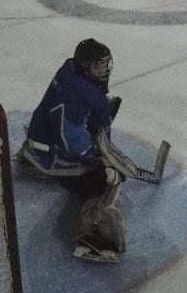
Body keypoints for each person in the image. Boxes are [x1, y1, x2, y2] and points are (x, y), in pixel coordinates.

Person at [16, 38, 134, 263]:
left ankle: (33, 159)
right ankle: (93, 237)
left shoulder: (70, 68)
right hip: (50, 153)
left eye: (105, 65)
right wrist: (99, 159)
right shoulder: (77, 93)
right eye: (97, 67)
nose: (103, 71)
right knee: (104, 183)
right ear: (84, 67)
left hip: (40, 136)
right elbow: (70, 141)